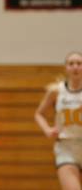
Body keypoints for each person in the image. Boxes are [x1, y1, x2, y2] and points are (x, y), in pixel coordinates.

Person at [35, 51, 82, 190]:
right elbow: (39, 114)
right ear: (66, 68)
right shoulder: (57, 91)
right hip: (66, 146)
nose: (75, 67)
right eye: (71, 64)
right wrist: (47, 130)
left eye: (79, 64)